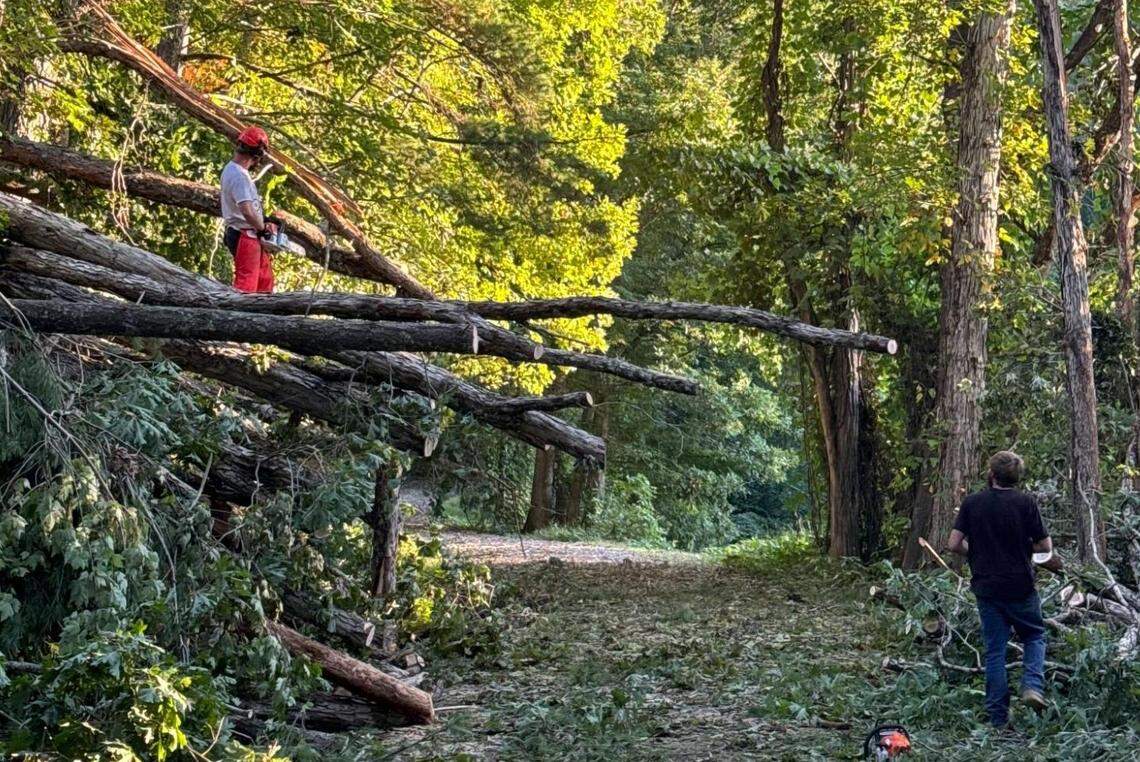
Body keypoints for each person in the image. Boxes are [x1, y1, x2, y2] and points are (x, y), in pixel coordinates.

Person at [947, 451, 1053, 730]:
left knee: (995, 651)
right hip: (1021, 586)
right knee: (1034, 635)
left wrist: (975, 551)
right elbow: (1045, 547)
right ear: (1015, 478)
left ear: (991, 474)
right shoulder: (1025, 503)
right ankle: (1032, 686)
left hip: (987, 587)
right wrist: (1020, 547)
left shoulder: (972, 503)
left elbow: (954, 544)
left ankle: (998, 719)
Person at [221, 126, 276, 292]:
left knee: (264, 280)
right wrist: (262, 229)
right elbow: (246, 210)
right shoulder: (238, 175)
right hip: (244, 235)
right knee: (247, 287)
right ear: (257, 155)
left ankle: (266, 314)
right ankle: (241, 317)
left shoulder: (235, 171)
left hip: (250, 234)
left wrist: (264, 221)